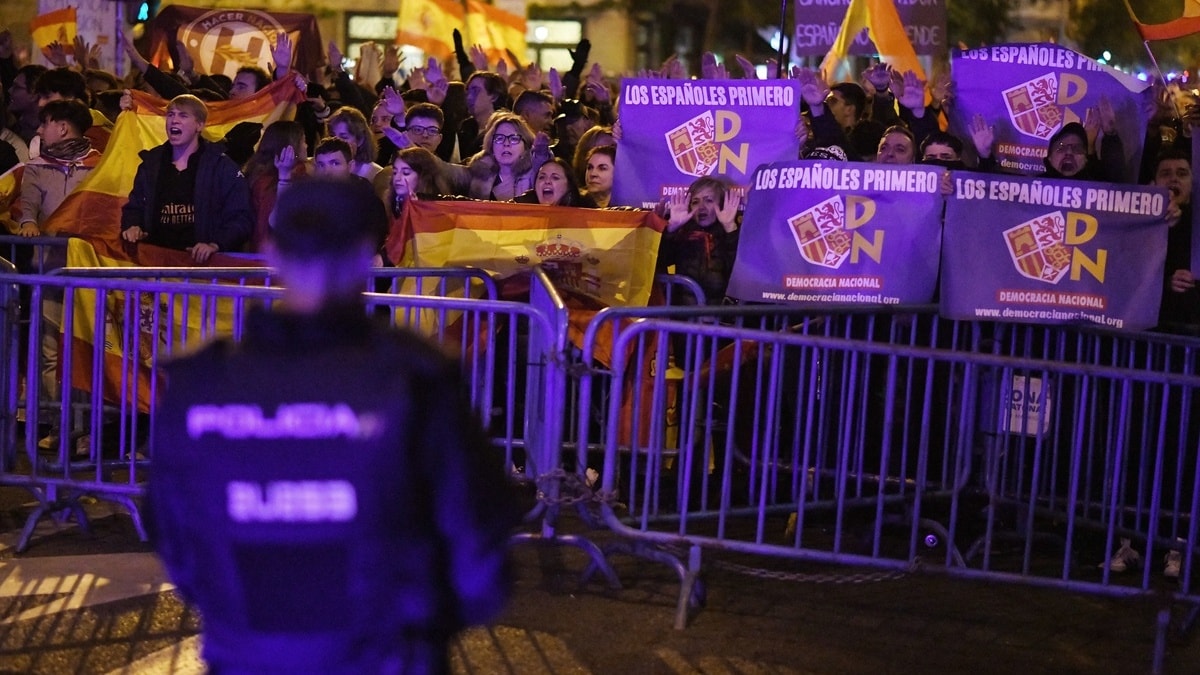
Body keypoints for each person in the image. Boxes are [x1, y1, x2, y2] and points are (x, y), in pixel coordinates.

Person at [147, 176, 517, 674]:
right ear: (366, 254)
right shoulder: (413, 379)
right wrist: (423, 630)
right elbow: (477, 548)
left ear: (272, 251)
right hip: (386, 658)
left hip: (247, 656)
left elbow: (176, 541)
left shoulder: (200, 385)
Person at [120, 94, 253, 262]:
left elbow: (240, 216)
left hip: (201, 267)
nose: (174, 120)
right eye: (171, 115)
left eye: (183, 115)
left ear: (200, 125)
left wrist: (215, 244)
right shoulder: (151, 164)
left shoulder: (221, 167)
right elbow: (135, 206)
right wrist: (133, 226)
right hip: (156, 262)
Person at [657, 176, 743, 304]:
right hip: (681, 318)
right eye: (695, 202)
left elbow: (740, 275)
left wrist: (731, 229)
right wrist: (671, 229)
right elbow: (658, 263)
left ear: (722, 204)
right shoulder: (683, 234)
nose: (701, 207)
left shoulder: (731, 233)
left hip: (719, 318)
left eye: (708, 200)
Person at [466, 112, 550, 201]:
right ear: (491, 145)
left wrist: (541, 152)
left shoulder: (534, 174)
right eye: (499, 138)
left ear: (526, 145)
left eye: (514, 139)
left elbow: (542, 164)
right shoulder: (479, 173)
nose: (506, 144)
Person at [328, 106, 383, 182]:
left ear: (360, 140)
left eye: (344, 137)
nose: (335, 142)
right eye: (332, 136)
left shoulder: (376, 175)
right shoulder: (319, 169)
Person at [514, 157, 596, 206]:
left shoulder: (586, 210)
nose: (547, 181)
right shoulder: (522, 204)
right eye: (542, 177)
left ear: (569, 186)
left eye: (555, 178)